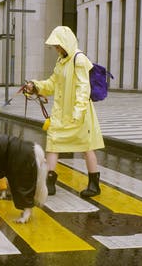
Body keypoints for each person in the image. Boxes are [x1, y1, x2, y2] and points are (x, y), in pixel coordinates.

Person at [25, 26, 105, 198]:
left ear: (66, 42)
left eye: (58, 45)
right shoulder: (61, 62)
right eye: (55, 46)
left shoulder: (79, 59)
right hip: (61, 114)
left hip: (80, 113)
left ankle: (94, 184)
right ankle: (49, 183)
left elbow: (84, 87)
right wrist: (35, 86)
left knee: (86, 147)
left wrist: (78, 113)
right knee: (53, 144)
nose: (56, 49)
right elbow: (52, 83)